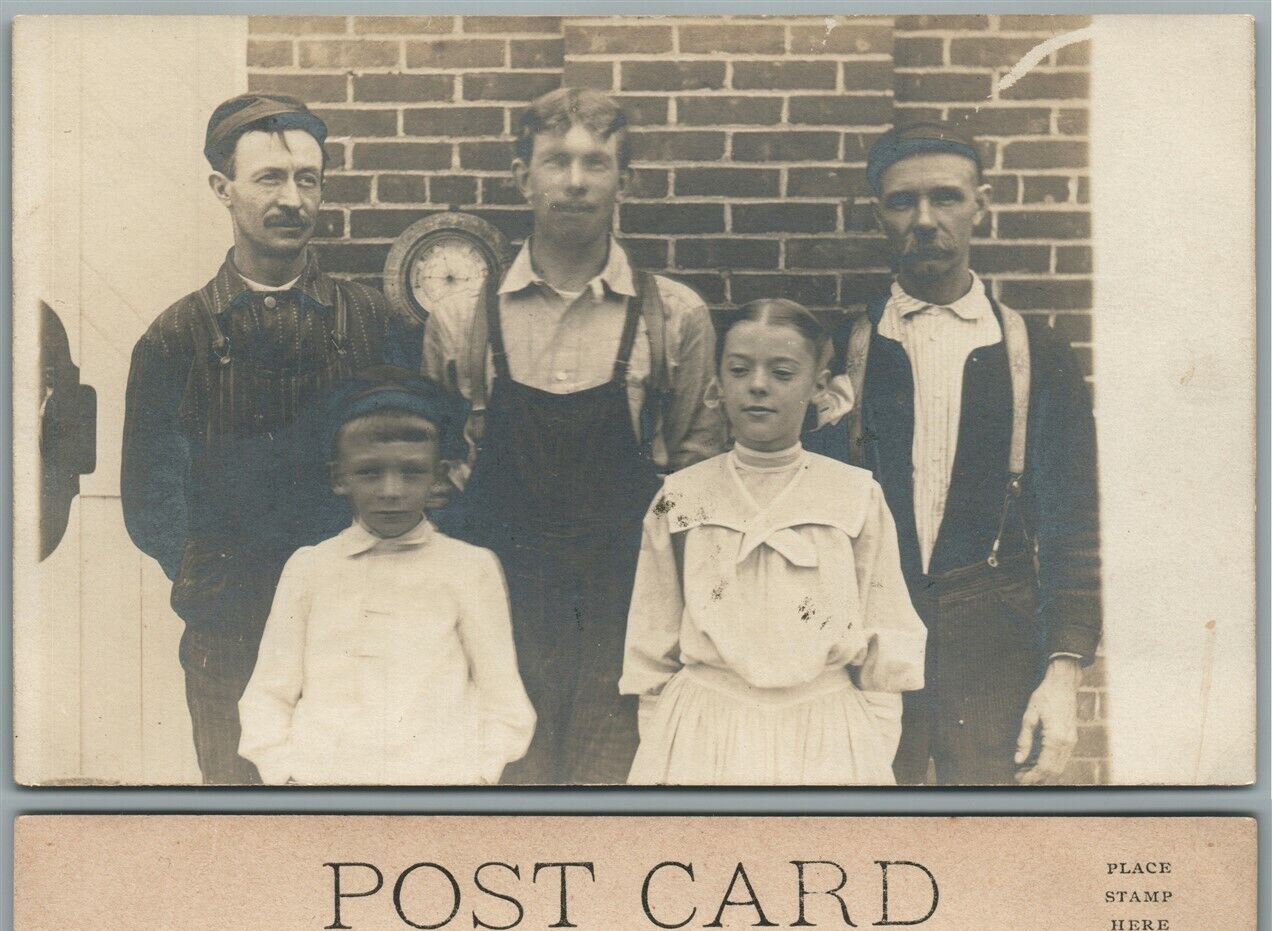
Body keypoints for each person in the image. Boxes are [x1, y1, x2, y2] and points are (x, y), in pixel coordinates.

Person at [422, 88, 726, 786]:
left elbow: (696, 481)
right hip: (499, 615)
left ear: (628, 180)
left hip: (622, 620)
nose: (576, 181)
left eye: (597, 162)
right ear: (521, 175)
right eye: (556, 161)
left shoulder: (673, 316)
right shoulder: (460, 318)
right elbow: (439, 480)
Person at [121, 94, 420, 785]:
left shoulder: (373, 322)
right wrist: (212, 582)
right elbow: (150, 502)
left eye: (307, 179)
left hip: (359, 633)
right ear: (222, 190)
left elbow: (413, 462)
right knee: (244, 829)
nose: (292, 199)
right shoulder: (176, 339)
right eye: (269, 179)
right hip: (231, 637)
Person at [809, 120, 1100, 786]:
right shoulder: (840, 354)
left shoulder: (1039, 354)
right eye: (903, 202)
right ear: (877, 214)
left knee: (994, 848)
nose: (925, 219)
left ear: (981, 204)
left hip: (996, 644)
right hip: (869, 643)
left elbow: (1072, 530)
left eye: (946, 198)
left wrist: (1063, 674)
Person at [620, 300, 925, 786]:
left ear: (817, 387)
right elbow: (651, 642)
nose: (758, 385)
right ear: (718, 384)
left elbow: (885, 633)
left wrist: (869, 745)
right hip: (702, 732)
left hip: (826, 732)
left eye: (782, 372)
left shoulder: (855, 494)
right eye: (740, 370)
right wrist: (665, 739)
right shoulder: (679, 497)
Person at [237, 370, 534, 786]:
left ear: (439, 475)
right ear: (340, 477)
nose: (391, 491)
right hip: (325, 782)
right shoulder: (310, 567)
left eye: (412, 472)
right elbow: (271, 689)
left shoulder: (470, 567)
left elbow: (502, 696)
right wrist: (284, 773)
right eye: (370, 473)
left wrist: (478, 776)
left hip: (439, 783)